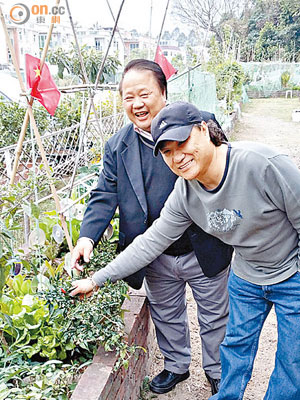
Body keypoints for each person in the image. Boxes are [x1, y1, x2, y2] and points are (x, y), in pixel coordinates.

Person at [71, 101, 300, 400]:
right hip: (246, 278)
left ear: (204, 129)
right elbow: (151, 241)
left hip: (291, 275)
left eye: (183, 142)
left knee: (292, 359)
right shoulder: (185, 193)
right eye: (167, 151)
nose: (178, 156)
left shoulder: (264, 165)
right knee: (234, 350)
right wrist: (96, 279)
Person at [71, 62, 232, 395]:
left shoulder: (199, 124)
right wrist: (87, 237)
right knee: (166, 313)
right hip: (153, 251)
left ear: (163, 92)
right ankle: (176, 366)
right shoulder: (118, 146)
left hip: (202, 244)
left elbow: (223, 171)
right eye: (129, 97)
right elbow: (104, 195)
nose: (137, 104)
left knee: (215, 315)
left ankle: (217, 370)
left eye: (144, 93)